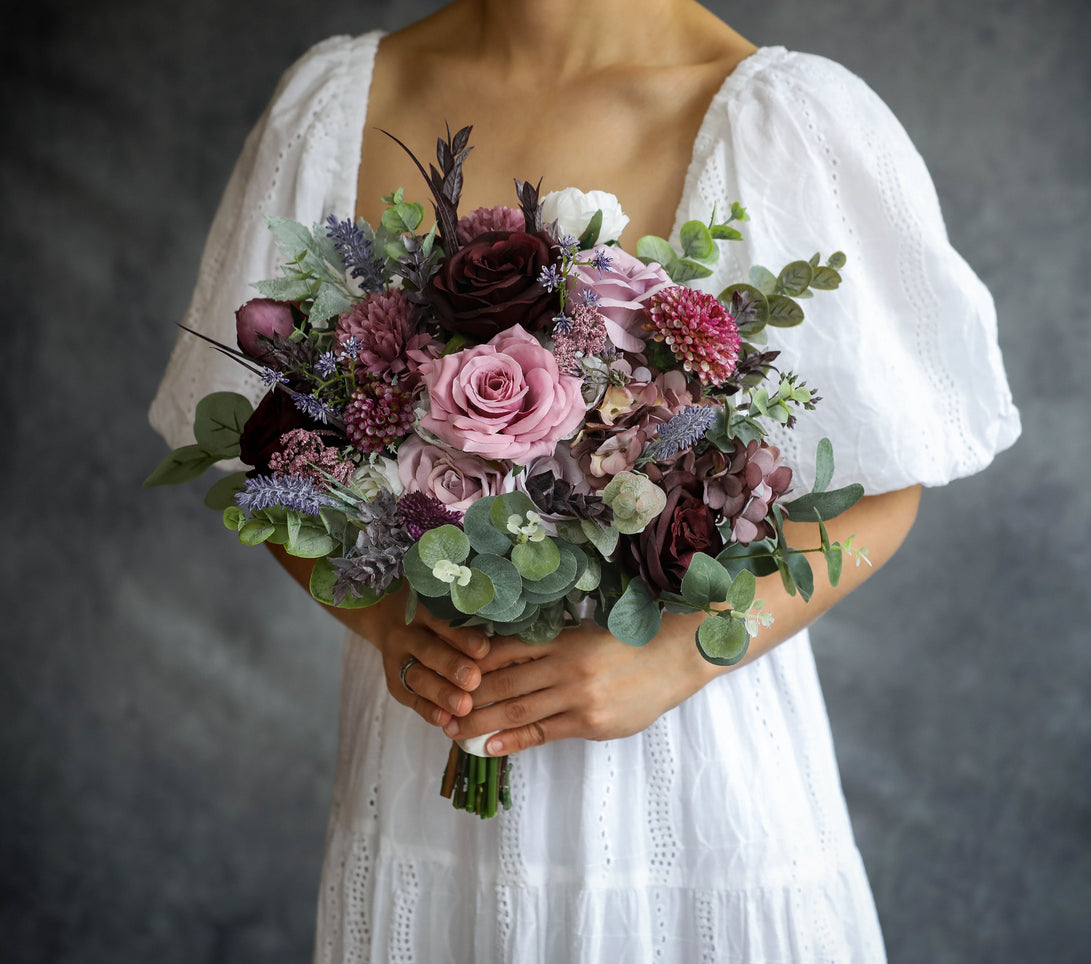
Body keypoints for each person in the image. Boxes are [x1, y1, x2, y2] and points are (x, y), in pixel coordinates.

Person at [147, 1, 1022, 960]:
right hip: (430, 768)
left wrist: (677, 658)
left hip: (688, 786)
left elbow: (890, 485)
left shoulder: (779, 118)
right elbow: (265, 461)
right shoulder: (338, 102)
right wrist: (386, 623)